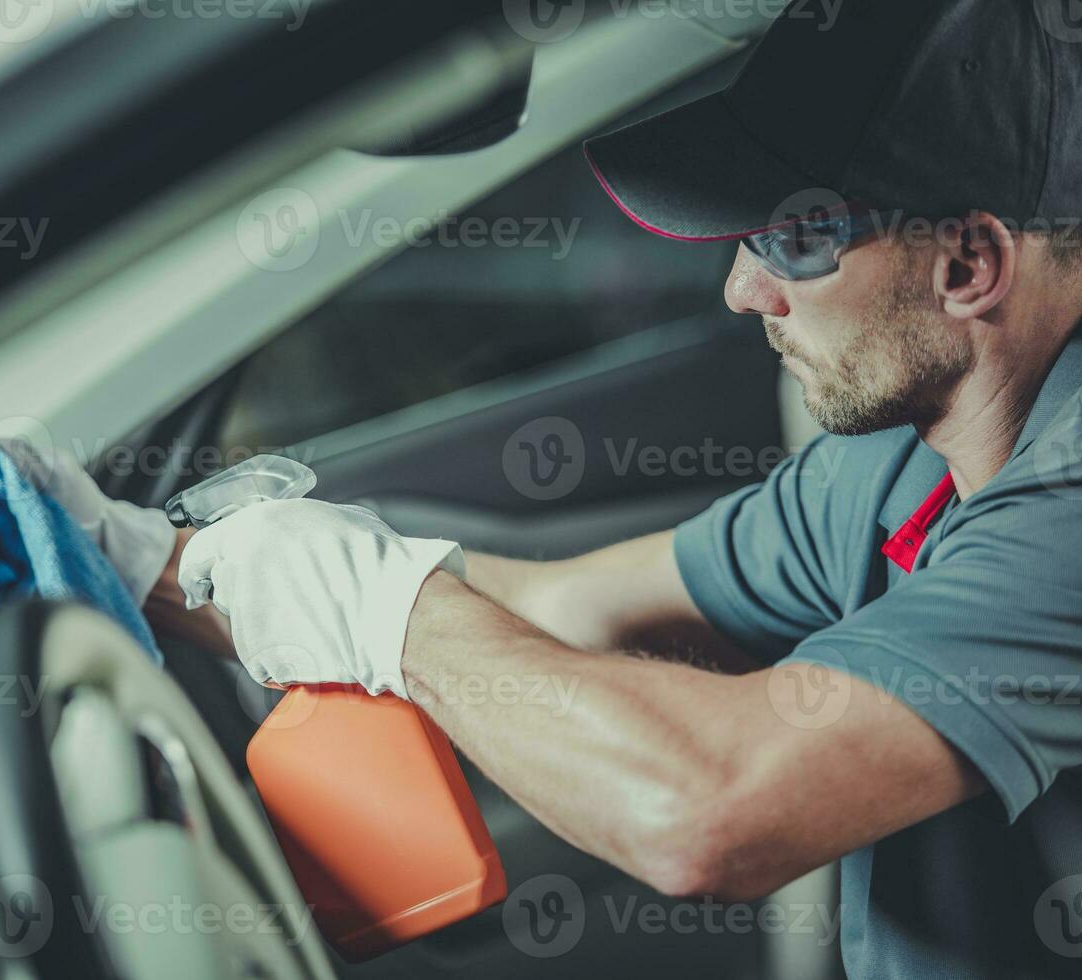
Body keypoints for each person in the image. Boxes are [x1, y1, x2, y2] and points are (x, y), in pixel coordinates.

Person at [141, 2, 1082, 976]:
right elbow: (566, 607)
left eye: (793, 242)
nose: (742, 290)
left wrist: (391, 618)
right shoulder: (898, 463)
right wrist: (144, 558)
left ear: (970, 264)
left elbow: (708, 814)